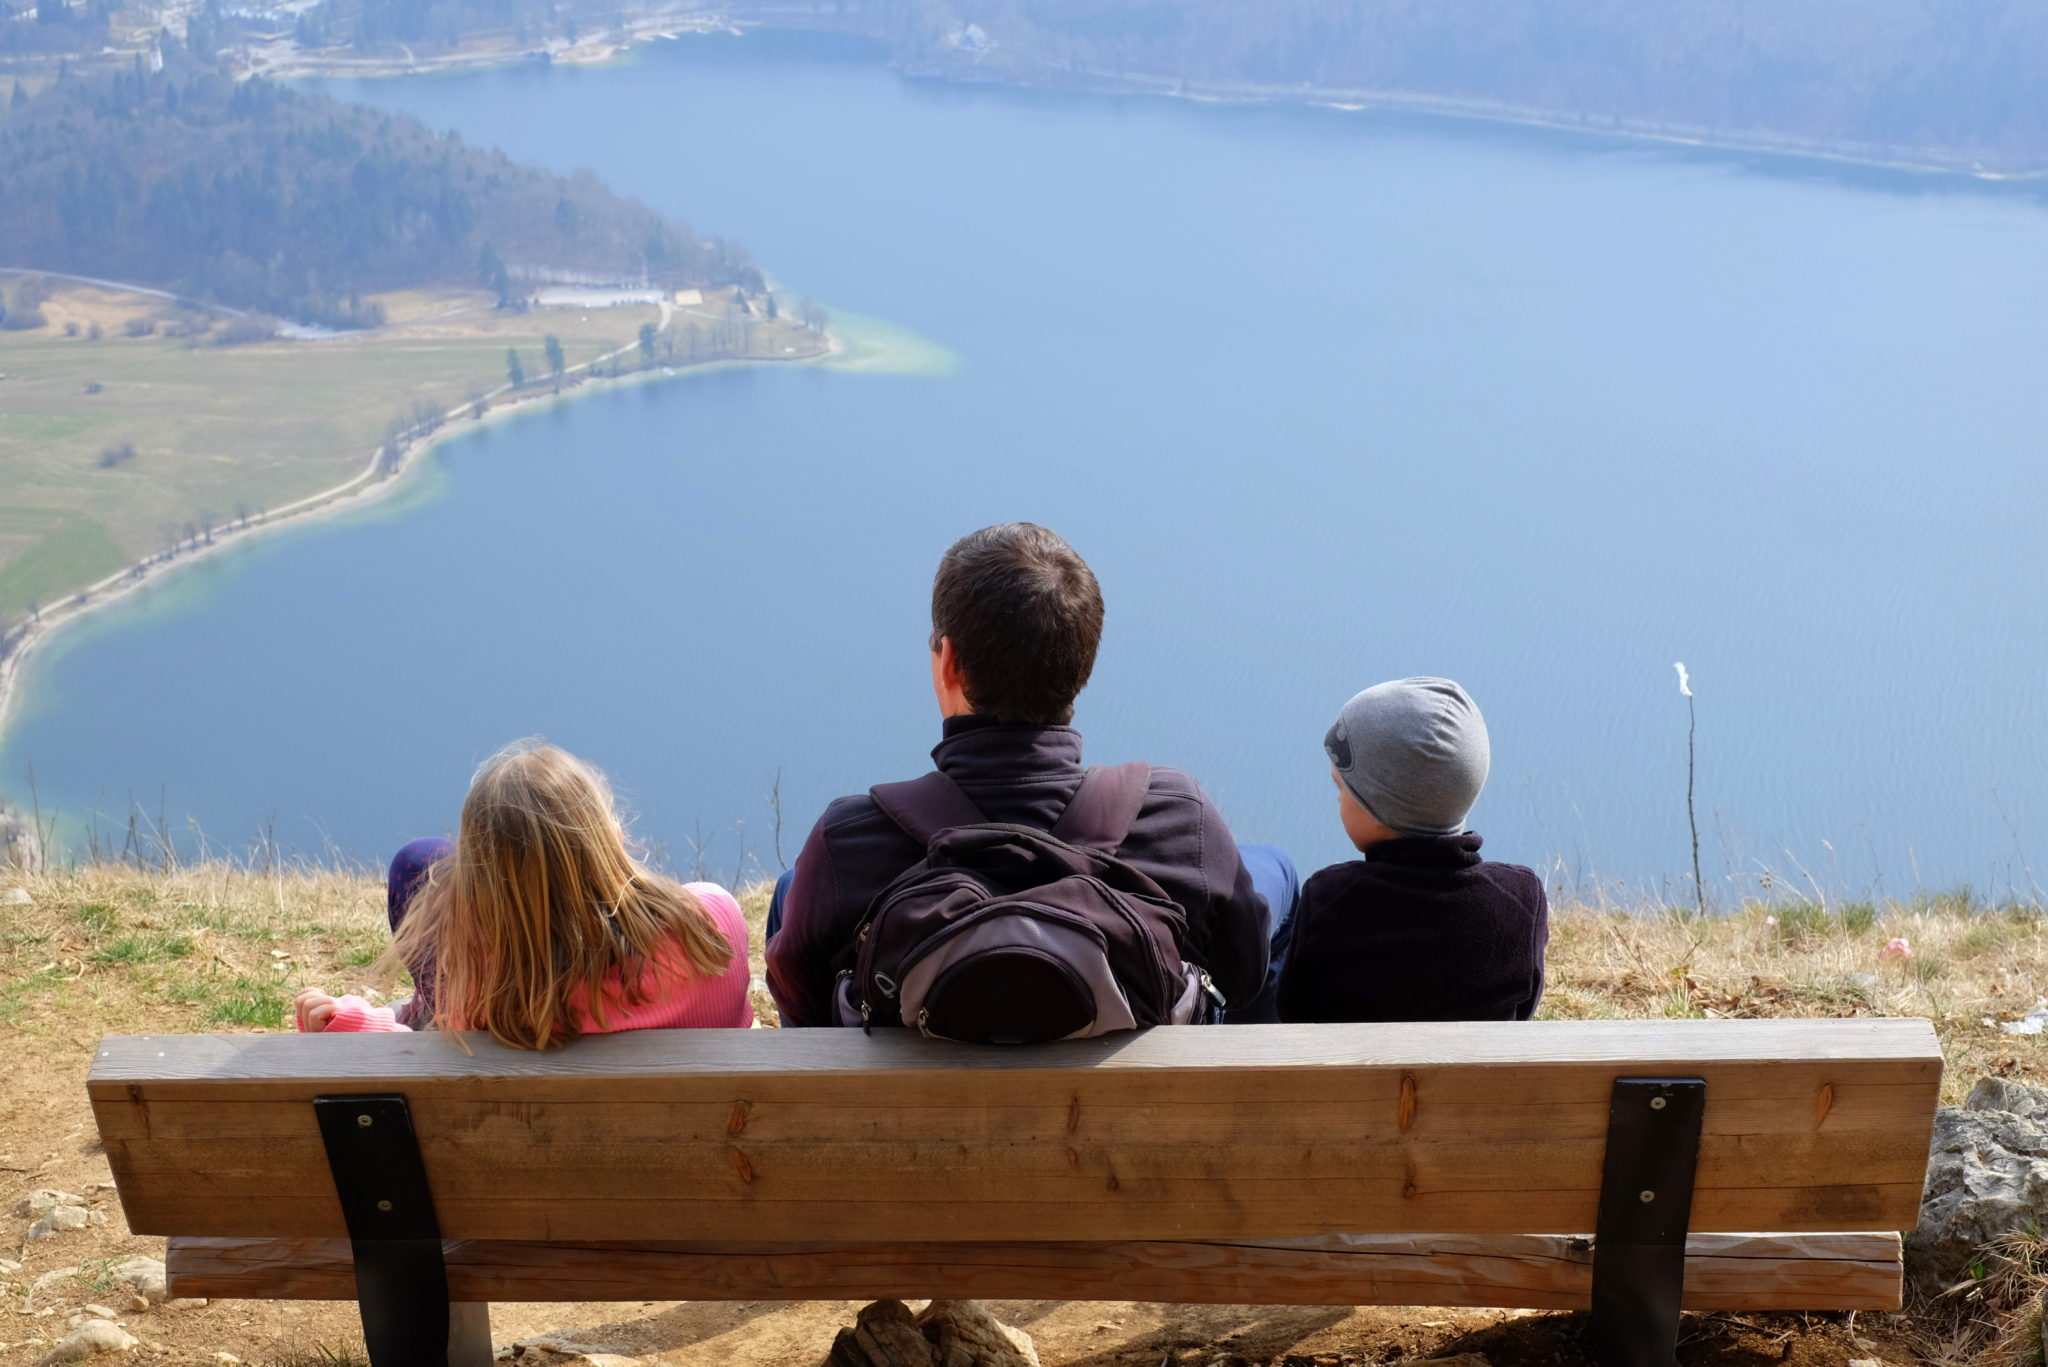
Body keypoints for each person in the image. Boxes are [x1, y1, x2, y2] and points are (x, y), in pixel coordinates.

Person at [764, 522, 1290, 1027]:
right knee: (1276, 870)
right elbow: (1241, 976)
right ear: (1081, 664)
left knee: (793, 891)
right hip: (1139, 1109)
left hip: (911, 1115)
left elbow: (803, 1003)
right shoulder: (1180, 814)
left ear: (948, 662)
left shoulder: (848, 838)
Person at [294, 741, 753, 1046]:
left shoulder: (484, 996)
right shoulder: (712, 924)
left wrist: (356, 1023)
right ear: (610, 838)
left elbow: (431, 1066)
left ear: (480, 887)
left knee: (420, 861)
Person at [1277, 678, 1548, 1023]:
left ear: (1378, 810)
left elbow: (1293, 1011)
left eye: (1341, 788)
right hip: (1475, 1078)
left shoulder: (1328, 897)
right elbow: (1523, 1009)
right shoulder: (1522, 901)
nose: (1337, 799)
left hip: (1350, 1077)